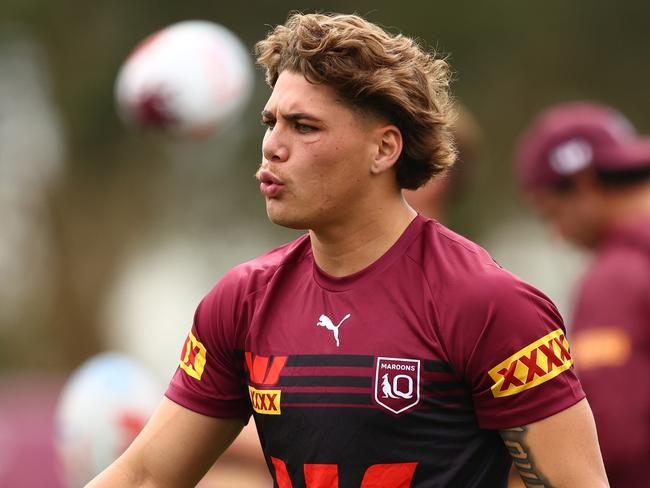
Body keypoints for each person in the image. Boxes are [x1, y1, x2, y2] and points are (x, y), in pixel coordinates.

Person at [88, 13, 608, 487]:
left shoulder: (488, 304)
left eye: (304, 126)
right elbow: (146, 476)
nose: (273, 145)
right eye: (271, 123)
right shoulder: (241, 301)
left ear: (384, 148)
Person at [515, 101, 650, 487]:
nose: (555, 234)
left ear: (585, 183)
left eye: (550, 212)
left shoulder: (615, 279)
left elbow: (615, 438)